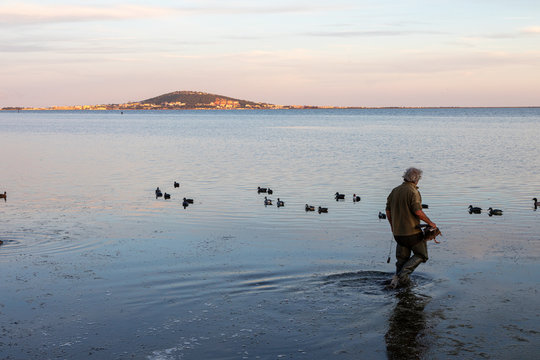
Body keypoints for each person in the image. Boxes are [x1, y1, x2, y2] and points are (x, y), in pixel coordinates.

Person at [385, 167, 437, 288]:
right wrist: (430, 223)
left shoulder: (394, 190)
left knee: (402, 259)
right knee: (422, 255)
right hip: (412, 233)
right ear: (416, 179)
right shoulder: (413, 192)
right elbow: (418, 211)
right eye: (419, 178)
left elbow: (387, 211)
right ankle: (404, 275)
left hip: (398, 234)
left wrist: (393, 226)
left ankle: (396, 281)